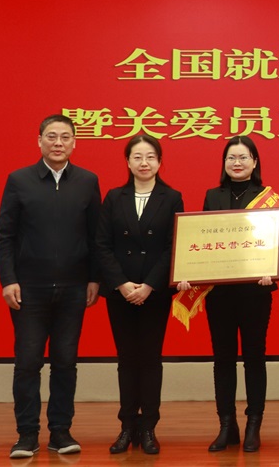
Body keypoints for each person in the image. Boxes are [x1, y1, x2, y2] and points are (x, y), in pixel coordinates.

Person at [0, 114, 101, 458]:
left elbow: (96, 236)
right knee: (28, 362)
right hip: (29, 289)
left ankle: (60, 431)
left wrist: (94, 278)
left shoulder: (87, 181)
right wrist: (8, 279)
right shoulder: (19, 180)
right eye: (51, 136)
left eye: (65, 137)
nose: (58, 143)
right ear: (39, 140)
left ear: (74, 143)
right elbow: (5, 235)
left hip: (74, 288)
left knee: (65, 362)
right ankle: (26, 434)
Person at [177, 135, 279, 453]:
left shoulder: (266, 197)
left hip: (255, 292)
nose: (237, 163)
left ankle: (253, 424)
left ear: (255, 162)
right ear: (224, 163)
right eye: (231, 158)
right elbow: (204, 241)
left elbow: (272, 243)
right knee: (222, 359)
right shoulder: (213, 196)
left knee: (254, 357)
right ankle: (227, 425)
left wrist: (270, 267)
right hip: (220, 294)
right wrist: (191, 271)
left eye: (243, 157)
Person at [95, 134, 184, 455]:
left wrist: (148, 285)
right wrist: (122, 284)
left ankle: (148, 428)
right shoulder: (114, 197)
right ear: (128, 162)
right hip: (121, 293)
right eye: (137, 157)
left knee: (150, 359)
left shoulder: (171, 197)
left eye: (150, 157)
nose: (144, 163)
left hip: (154, 293)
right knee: (126, 360)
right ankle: (126, 426)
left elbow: (173, 246)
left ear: (159, 162)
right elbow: (102, 245)